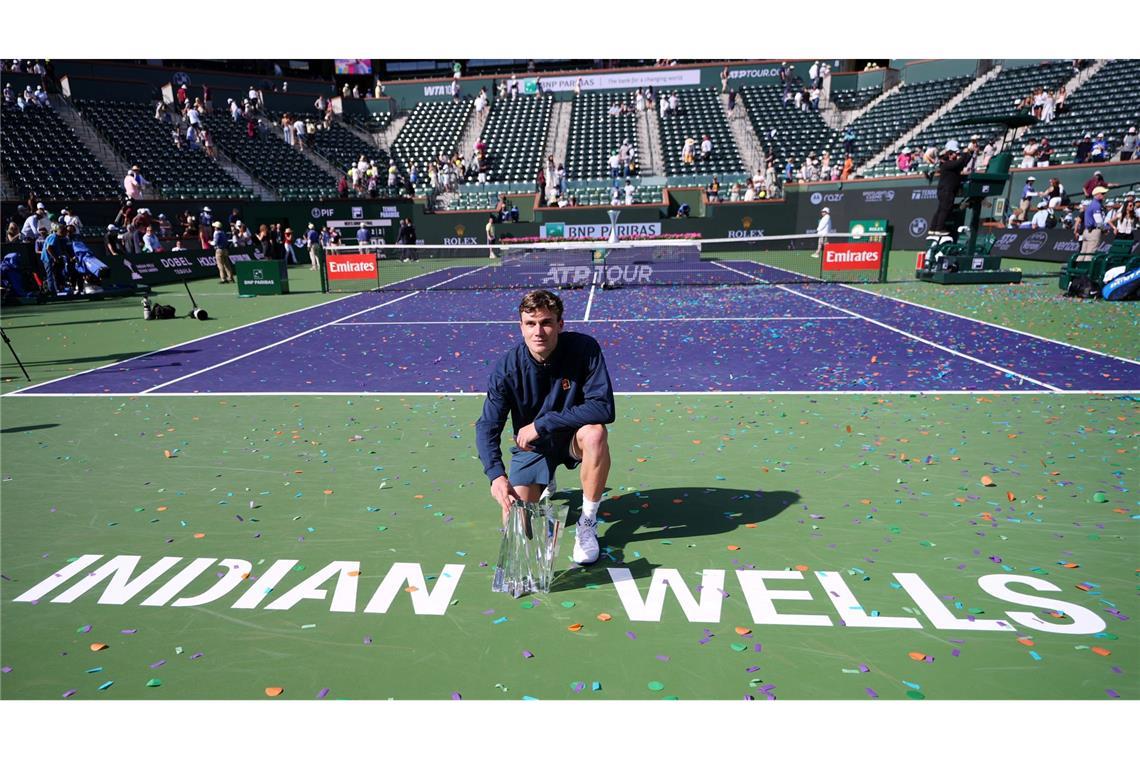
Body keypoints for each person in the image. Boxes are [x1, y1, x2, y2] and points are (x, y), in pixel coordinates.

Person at [475, 290, 615, 566]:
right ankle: (544, 476)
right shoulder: (507, 369)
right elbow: (487, 425)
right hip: (535, 448)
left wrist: (542, 423)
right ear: (521, 327)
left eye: (546, 322)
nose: (538, 331)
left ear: (560, 325)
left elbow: (604, 408)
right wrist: (496, 476)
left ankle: (587, 523)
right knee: (515, 522)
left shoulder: (584, 349)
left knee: (596, 433)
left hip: (573, 438)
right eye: (530, 323)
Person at [929, 139, 975, 236]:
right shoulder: (947, 164)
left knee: (941, 209)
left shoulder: (950, 164)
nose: (955, 155)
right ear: (948, 154)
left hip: (945, 191)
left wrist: (970, 152)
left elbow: (963, 163)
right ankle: (939, 228)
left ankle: (933, 228)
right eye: (953, 153)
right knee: (945, 209)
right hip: (946, 191)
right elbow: (960, 162)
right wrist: (965, 152)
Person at [1081, 186, 1109, 254]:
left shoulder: (1092, 204)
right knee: (1090, 254)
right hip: (1093, 232)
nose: (1105, 195)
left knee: (1082, 254)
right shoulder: (1096, 205)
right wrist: (1105, 230)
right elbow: (1098, 221)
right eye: (1103, 193)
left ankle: (1077, 264)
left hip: (1087, 231)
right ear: (1097, 194)